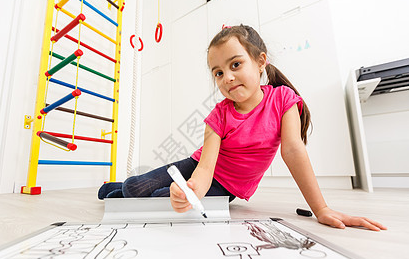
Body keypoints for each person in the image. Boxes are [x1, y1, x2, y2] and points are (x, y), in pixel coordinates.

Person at [99, 24, 386, 232]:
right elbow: (205, 167)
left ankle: (122, 194)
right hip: (198, 166)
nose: (227, 78)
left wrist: (321, 208)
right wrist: (194, 187)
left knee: (160, 198)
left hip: (228, 185)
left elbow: (293, 151)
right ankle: (114, 190)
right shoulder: (219, 114)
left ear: (261, 62)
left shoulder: (284, 100)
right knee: (133, 186)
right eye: (219, 73)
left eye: (236, 64)